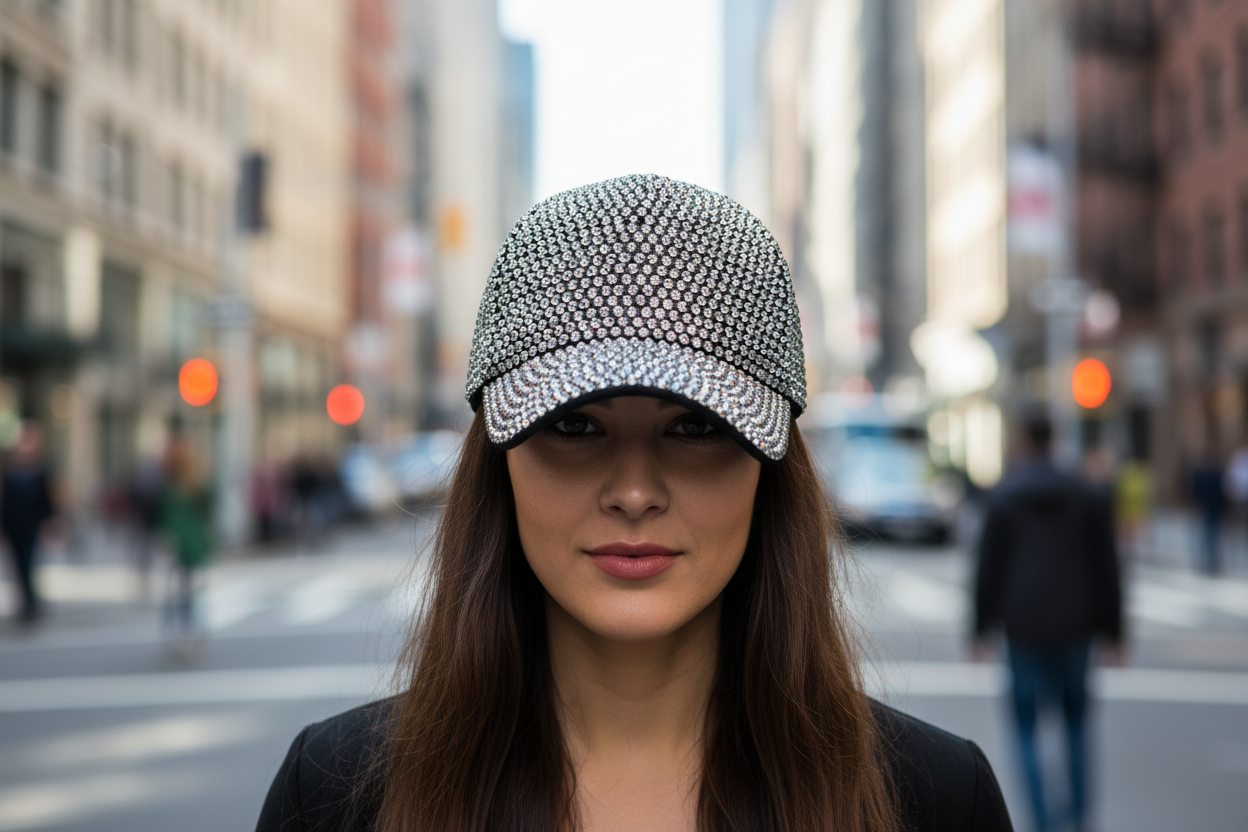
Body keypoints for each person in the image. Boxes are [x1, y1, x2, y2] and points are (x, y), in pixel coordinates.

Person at [256, 175, 1012, 832]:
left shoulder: (939, 801)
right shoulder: (330, 793)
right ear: (500, 461)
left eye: (696, 427)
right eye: (575, 425)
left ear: (771, 463)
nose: (635, 493)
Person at [973, 414, 1124, 832]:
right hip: (1077, 626)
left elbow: (988, 566)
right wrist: (1116, 631)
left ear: (1024, 439)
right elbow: (1108, 565)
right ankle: (1077, 820)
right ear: (1055, 439)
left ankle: (1040, 821)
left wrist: (979, 627)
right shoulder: (1087, 495)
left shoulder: (1005, 496)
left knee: (1025, 727)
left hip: (1023, 626)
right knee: (1076, 725)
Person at [160, 435, 213, 659]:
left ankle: (185, 633)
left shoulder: (177, 486)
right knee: (189, 591)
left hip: (182, 544)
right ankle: (189, 632)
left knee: (182, 591)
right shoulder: (188, 484)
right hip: (188, 543)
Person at [0, 422, 55, 624]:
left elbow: (46, 501)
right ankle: (25, 602)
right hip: (14, 526)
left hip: (31, 526)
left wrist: (50, 523)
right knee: (16, 566)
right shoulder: (11, 470)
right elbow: (6, 502)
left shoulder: (39, 471)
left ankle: (30, 604)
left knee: (28, 563)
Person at [1190, 452, 1226, 575]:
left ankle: (1209, 561)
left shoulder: (1205, 473)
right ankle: (1210, 562)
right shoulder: (1213, 473)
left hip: (1209, 508)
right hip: (1211, 508)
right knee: (1209, 535)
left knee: (1208, 535)